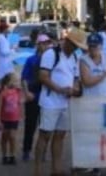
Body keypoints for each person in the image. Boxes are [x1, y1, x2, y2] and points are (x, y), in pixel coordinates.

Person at [34, 28, 87, 176]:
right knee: (45, 135)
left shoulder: (74, 57)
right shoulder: (51, 54)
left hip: (65, 102)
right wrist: (60, 89)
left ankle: (56, 169)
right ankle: (37, 170)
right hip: (50, 101)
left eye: (78, 47)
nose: (76, 49)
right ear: (68, 41)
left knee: (60, 136)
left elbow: (75, 78)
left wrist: (75, 88)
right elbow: (43, 76)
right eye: (75, 45)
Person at [20, 31, 50, 162]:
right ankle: (26, 150)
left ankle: (43, 152)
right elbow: (24, 78)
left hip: (46, 97)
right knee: (30, 126)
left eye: (46, 43)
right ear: (38, 45)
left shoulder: (51, 60)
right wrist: (26, 93)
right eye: (42, 44)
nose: (44, 46)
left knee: (45, 127)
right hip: (32, 95)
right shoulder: (31, 60)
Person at [0, 72, 23, 165]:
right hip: (4, 119)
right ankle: (4, 155)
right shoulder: (3, 93)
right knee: (4, 137)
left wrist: (21, 115)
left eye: (18, 81)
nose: (17, 82)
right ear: (9, 82)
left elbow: (19, 103)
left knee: (12, 137)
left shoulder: (18, 91)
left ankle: (12, 155)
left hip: (14, 119)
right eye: (15, 81)